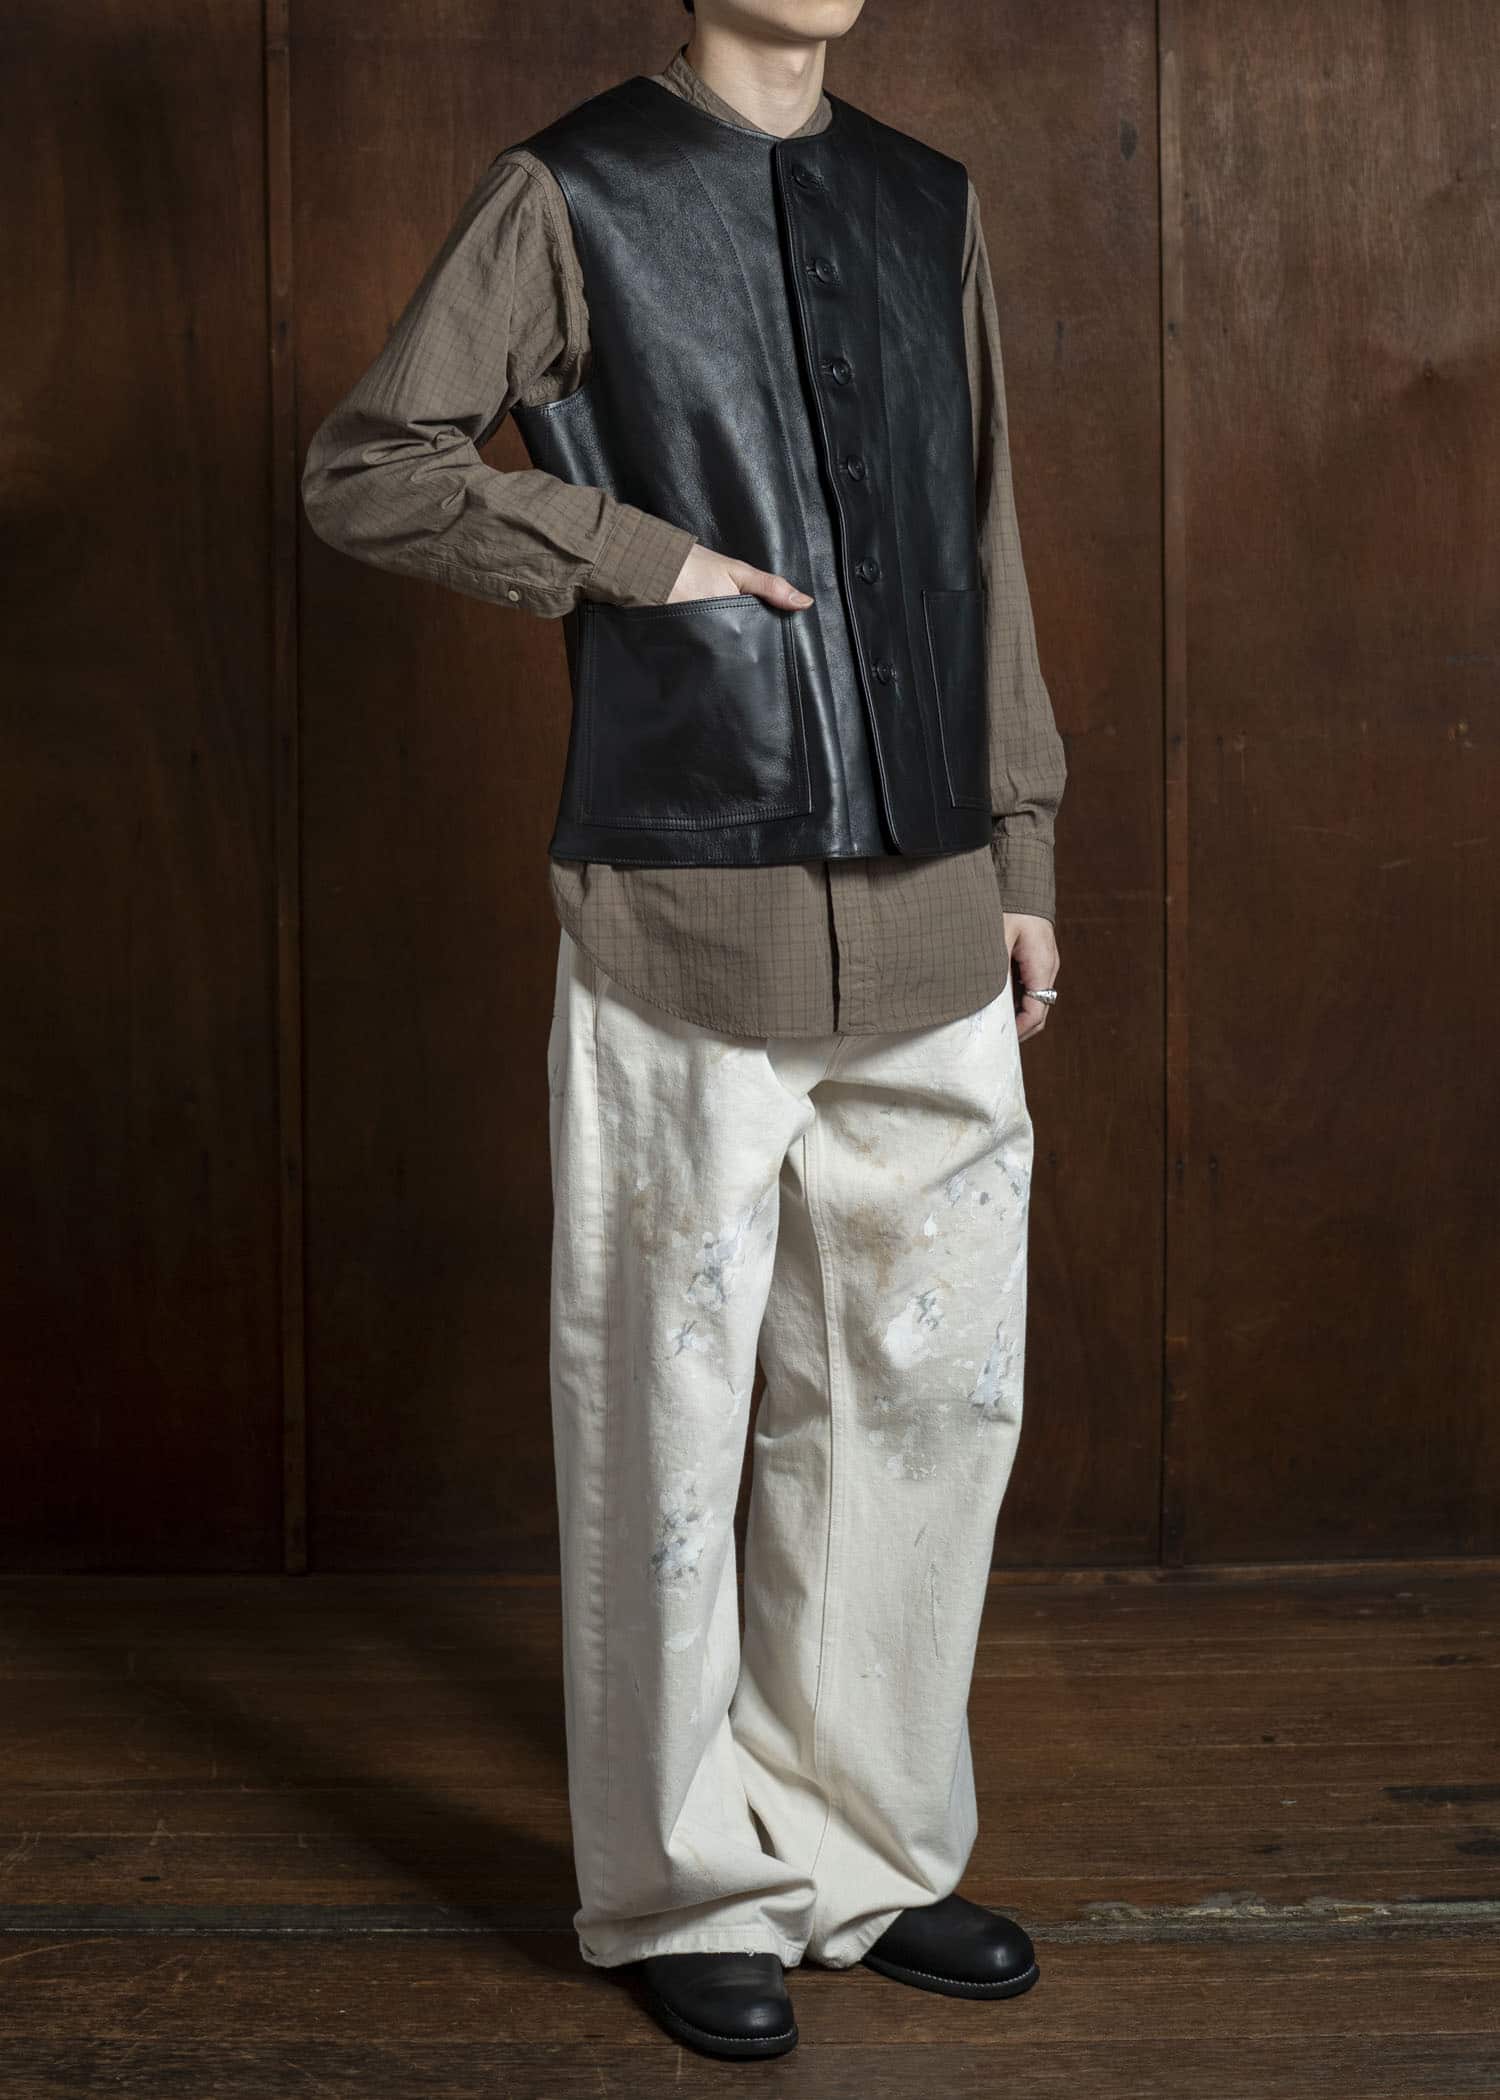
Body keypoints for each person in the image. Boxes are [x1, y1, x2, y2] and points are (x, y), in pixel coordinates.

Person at [302, 0, 1066, 2063]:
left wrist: (1022, 843)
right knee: (665, 1410)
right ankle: (682, 1888)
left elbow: (981, 525)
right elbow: (367, 467)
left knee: (924, 1413)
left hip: (934, 917)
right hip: (681, 907)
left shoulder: (929, 200)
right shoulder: (571, 194)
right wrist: (637, 561)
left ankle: (868, 1852)